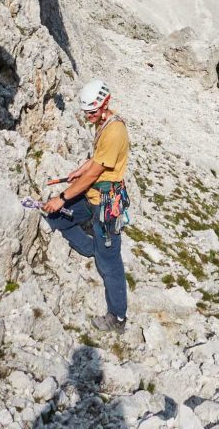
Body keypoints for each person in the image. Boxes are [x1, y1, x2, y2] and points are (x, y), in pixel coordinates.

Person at [43, 79, 130, 333]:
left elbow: (95, 174)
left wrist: (62, 196)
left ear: (104, 105)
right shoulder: (104, 123)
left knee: (110, 262)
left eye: (92, 112)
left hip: (105, 202)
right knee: (58, 219)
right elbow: (95, 163)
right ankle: (93, 248)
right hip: (93, 197)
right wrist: (80, 170)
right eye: (86, 113)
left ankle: (118, 317)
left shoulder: (115, 132)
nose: (88, 117)